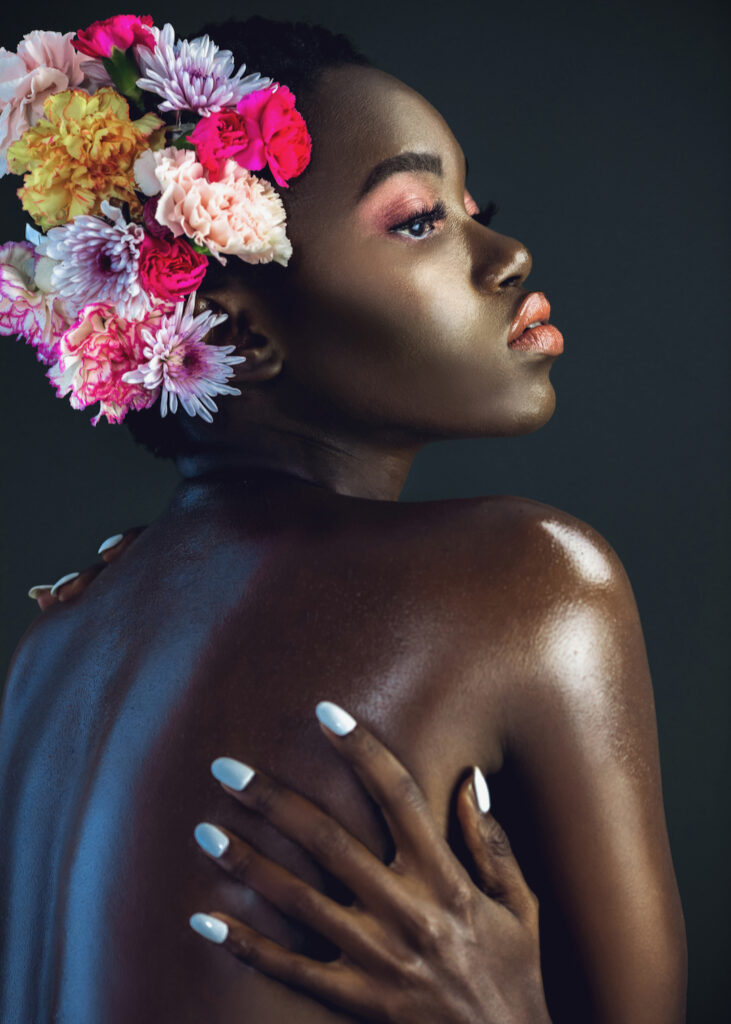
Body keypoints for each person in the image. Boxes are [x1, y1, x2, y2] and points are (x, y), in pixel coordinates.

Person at [0, 14, 686, 1023]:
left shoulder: (52, 648)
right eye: (418, 221)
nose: (505, 253)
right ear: (241, 330)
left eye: (472, 205)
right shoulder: (527, 581)